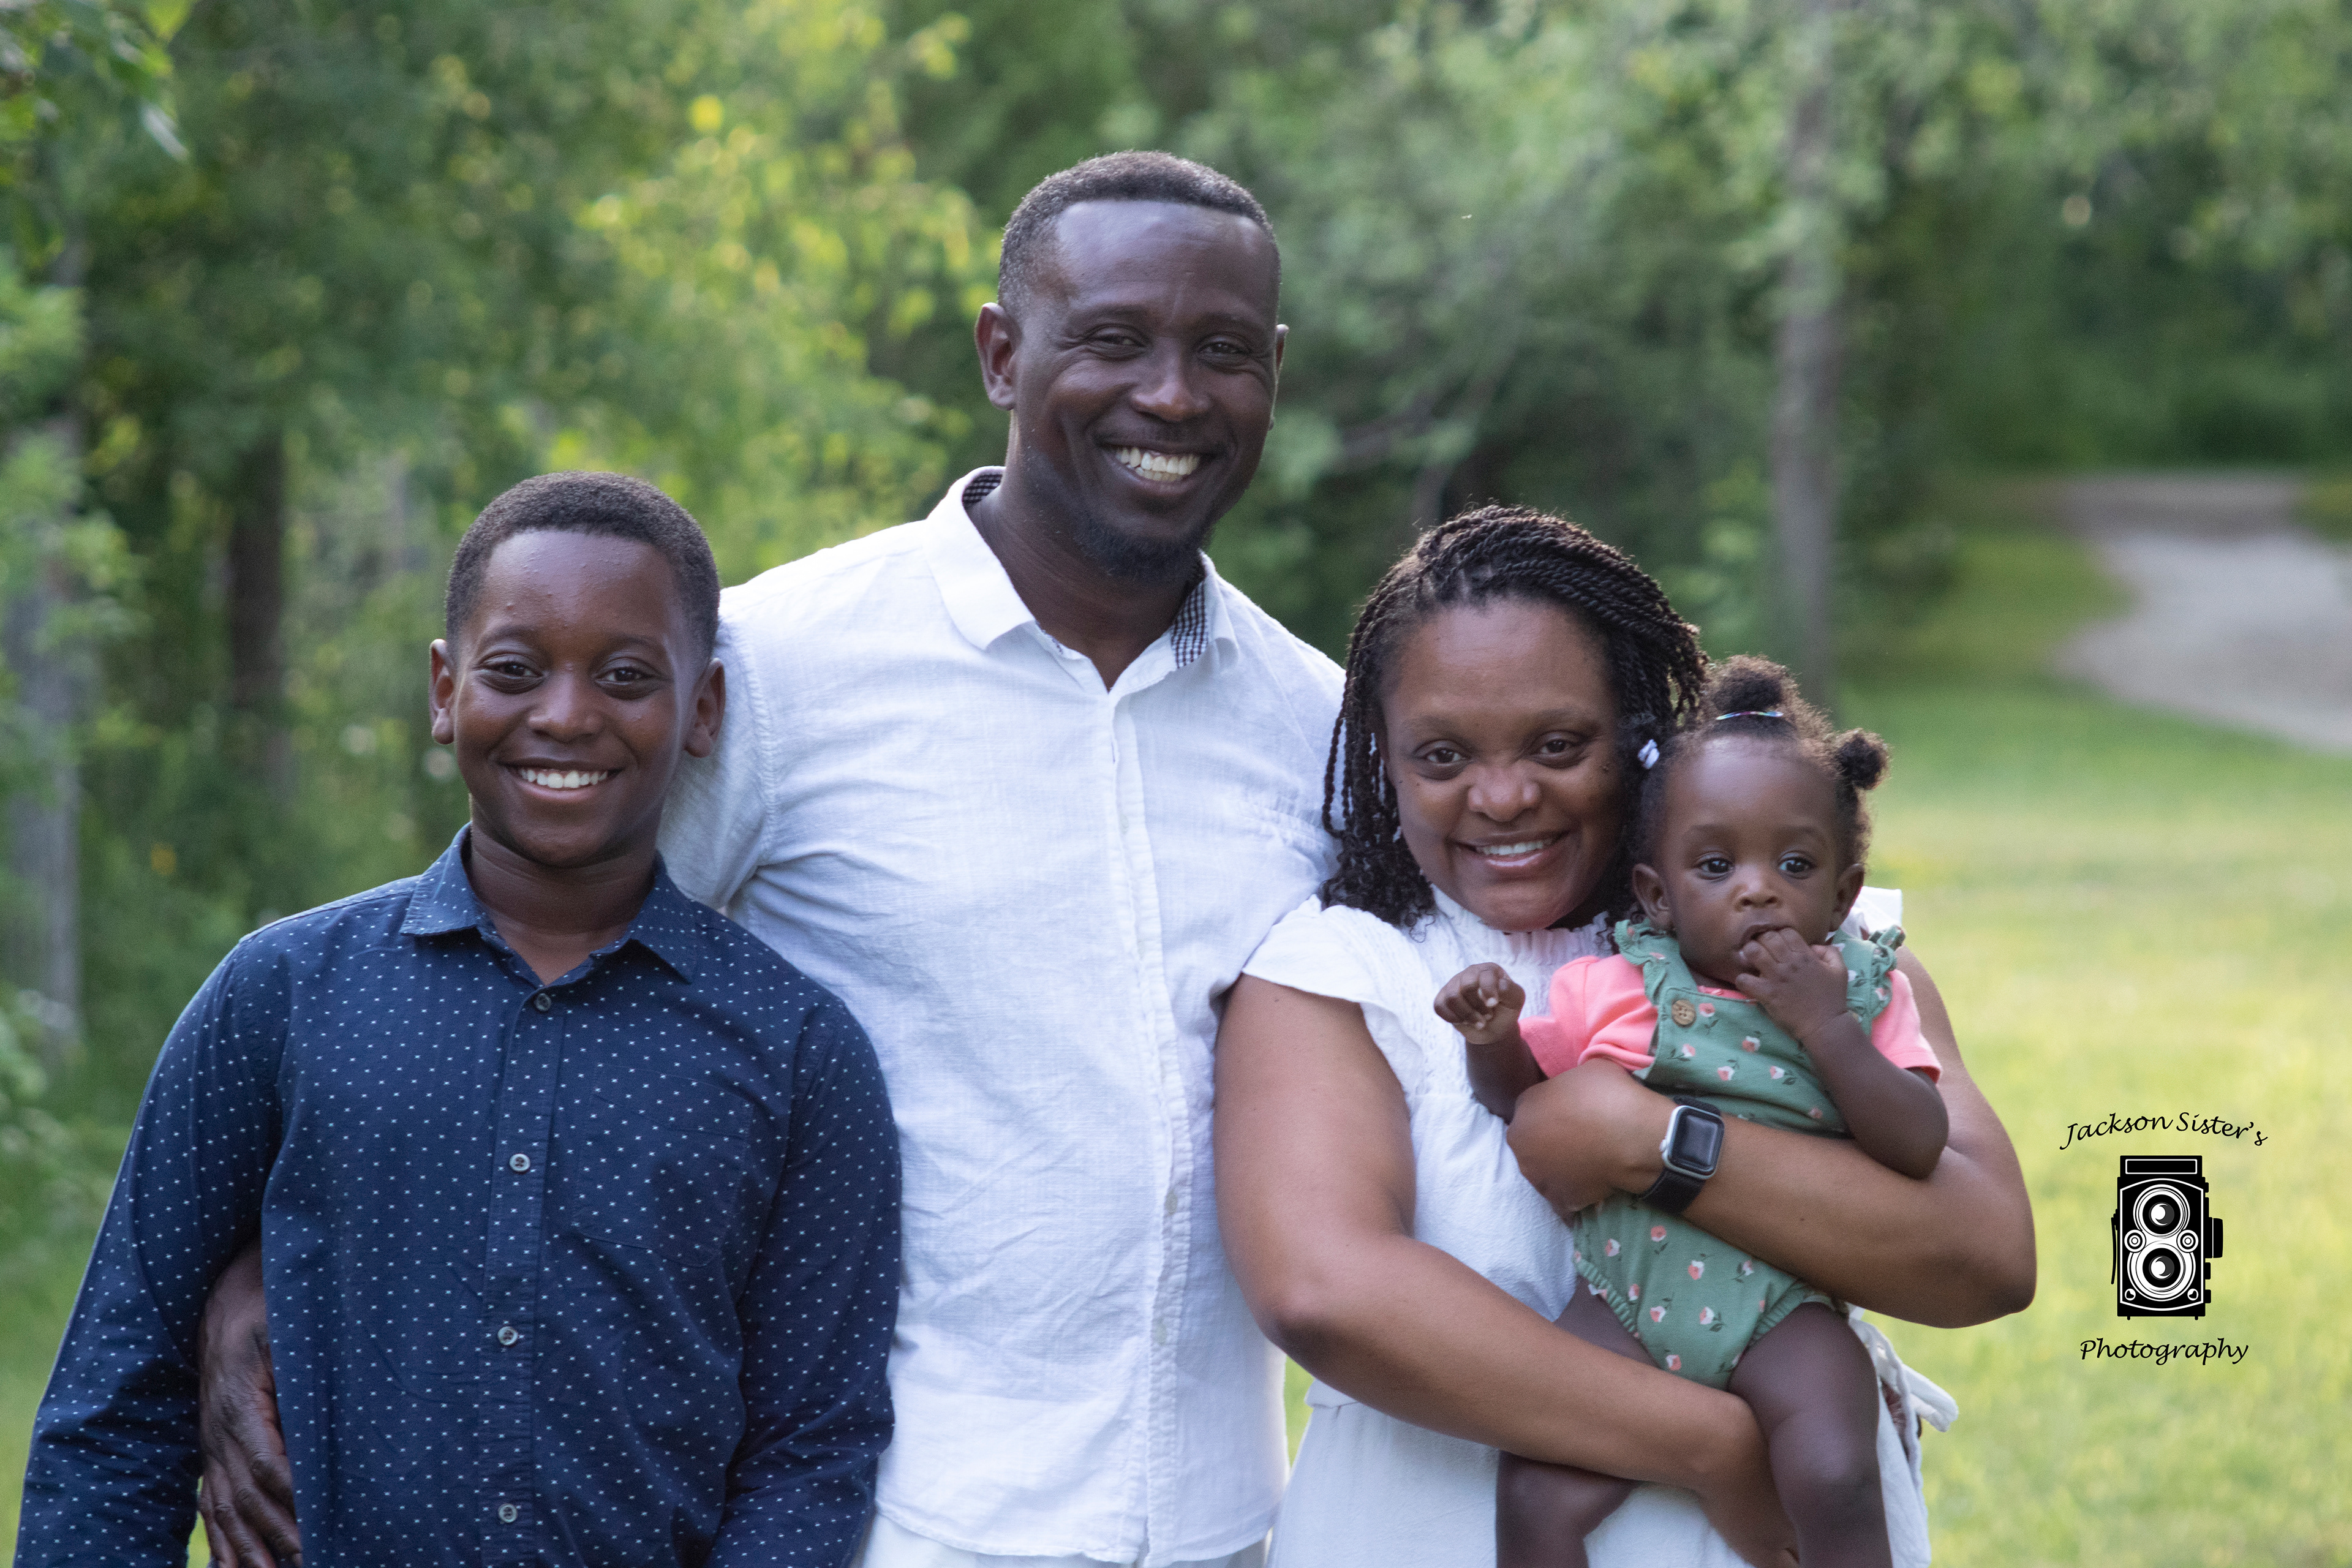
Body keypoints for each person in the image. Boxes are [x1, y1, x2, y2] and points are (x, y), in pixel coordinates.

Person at [195, 151, 1335, 1568]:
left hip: (1232, 1527)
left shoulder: (1322, 727)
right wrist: (258, 1254)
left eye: (1223, 351)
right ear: (1001, 352)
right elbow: (499, 977)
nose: (1170, 394)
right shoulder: (781, 672)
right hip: (879, 1525)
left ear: (1274, 372)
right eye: (1111, 339)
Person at [17, 473, 900, 1567]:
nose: (565, 714)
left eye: (627, 676)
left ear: (704, 709)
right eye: (515, 671)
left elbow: (811, 1451)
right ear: (445, 690)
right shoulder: (280, 995)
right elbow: (117, 1405)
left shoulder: (796, 1050)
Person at [1215, 506, 2035, 1568]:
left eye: (1560, 745)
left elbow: (1983, 1259)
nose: (1504, 796)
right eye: (1443, 756)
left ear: (1645, 739)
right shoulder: (1337, 973)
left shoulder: (1815, 954)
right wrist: (1714, 1445)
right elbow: (1327, 1294)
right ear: (1386, 761)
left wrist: (1649, 1142)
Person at [1435, 655, 1949, 1568]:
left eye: (1795, 864)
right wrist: (1495, 1036)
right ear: (1657, 895)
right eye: (1716, 866)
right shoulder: (1612, 989)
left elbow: (1919, 1144)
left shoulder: (1868, 994)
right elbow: (1524, 1109)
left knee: (1835, 1469)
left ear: (1844, 893)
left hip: (1784, 1305)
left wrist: (1825, 1027)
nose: (1756, 888)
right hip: (1627, 1294)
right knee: (1535, 1491)